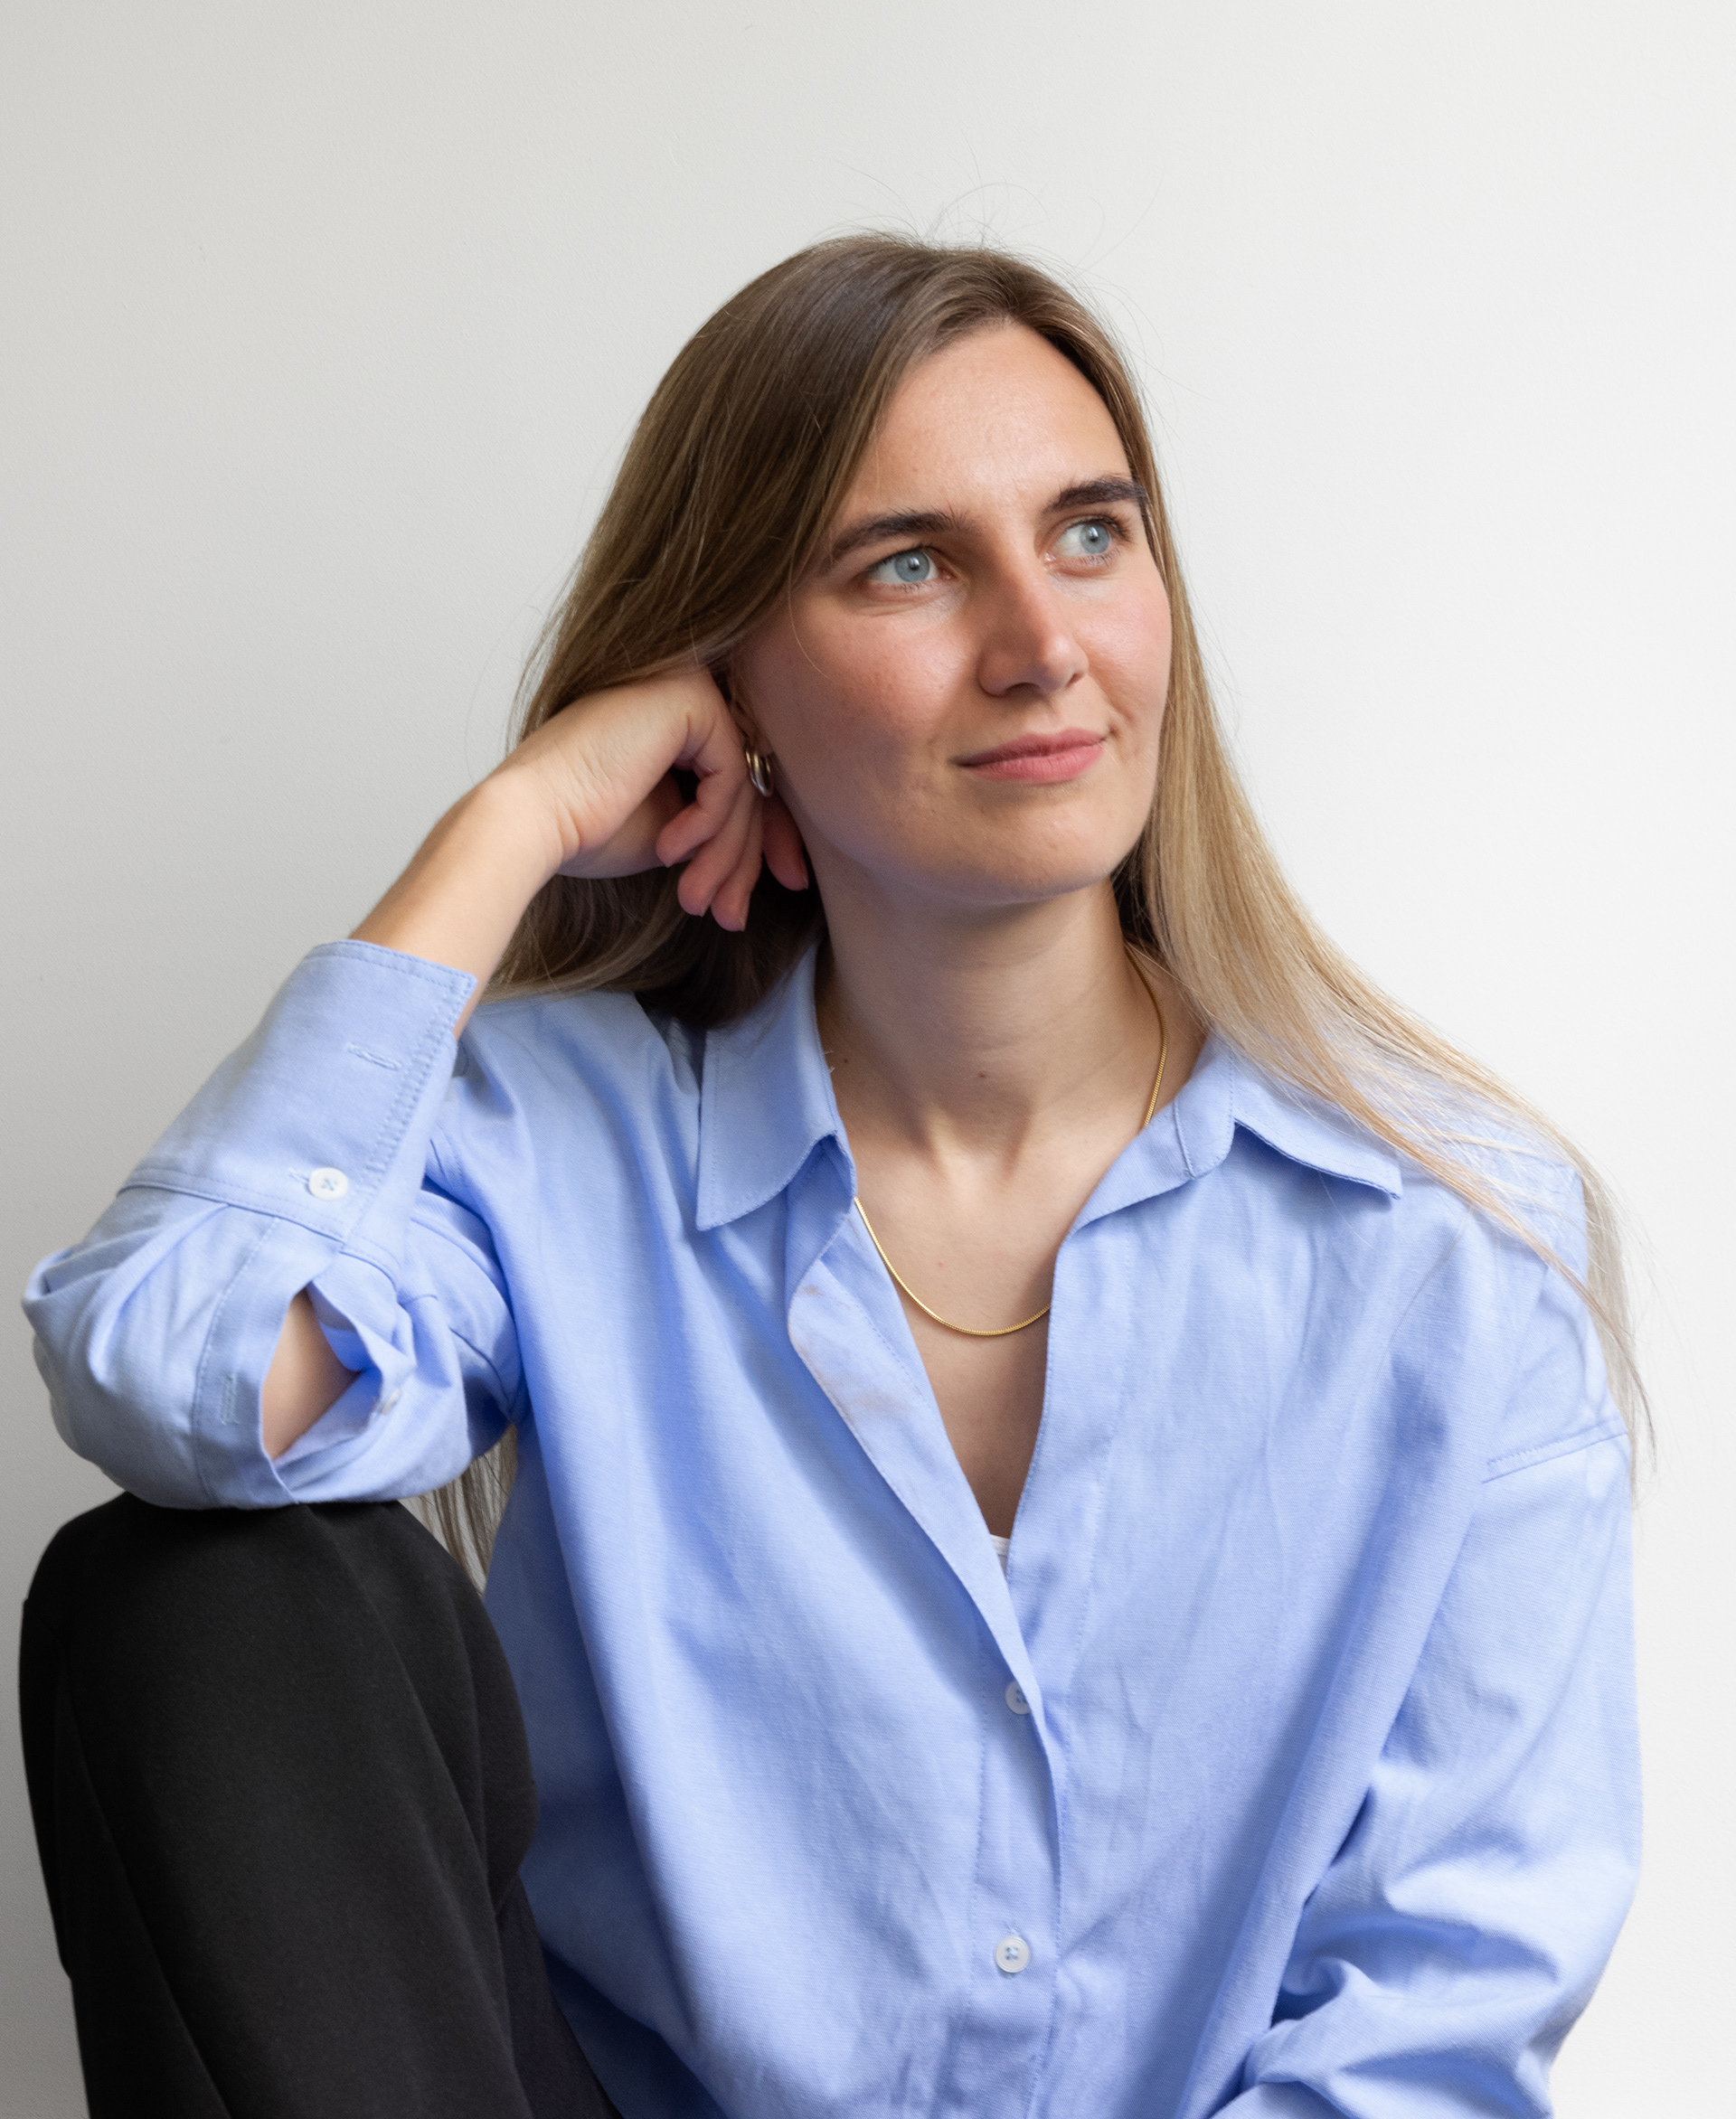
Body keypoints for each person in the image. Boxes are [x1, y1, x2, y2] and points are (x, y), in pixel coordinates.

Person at [22, 235, 1639, 2119]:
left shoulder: (1453, 1235)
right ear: (731, 683)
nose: (1041, 644)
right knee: (185, 1592)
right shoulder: (563, 1142)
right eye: (910, 565)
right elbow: (174, 1374)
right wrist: (515, 823)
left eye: (1091, 535)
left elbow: (1442, 2006)